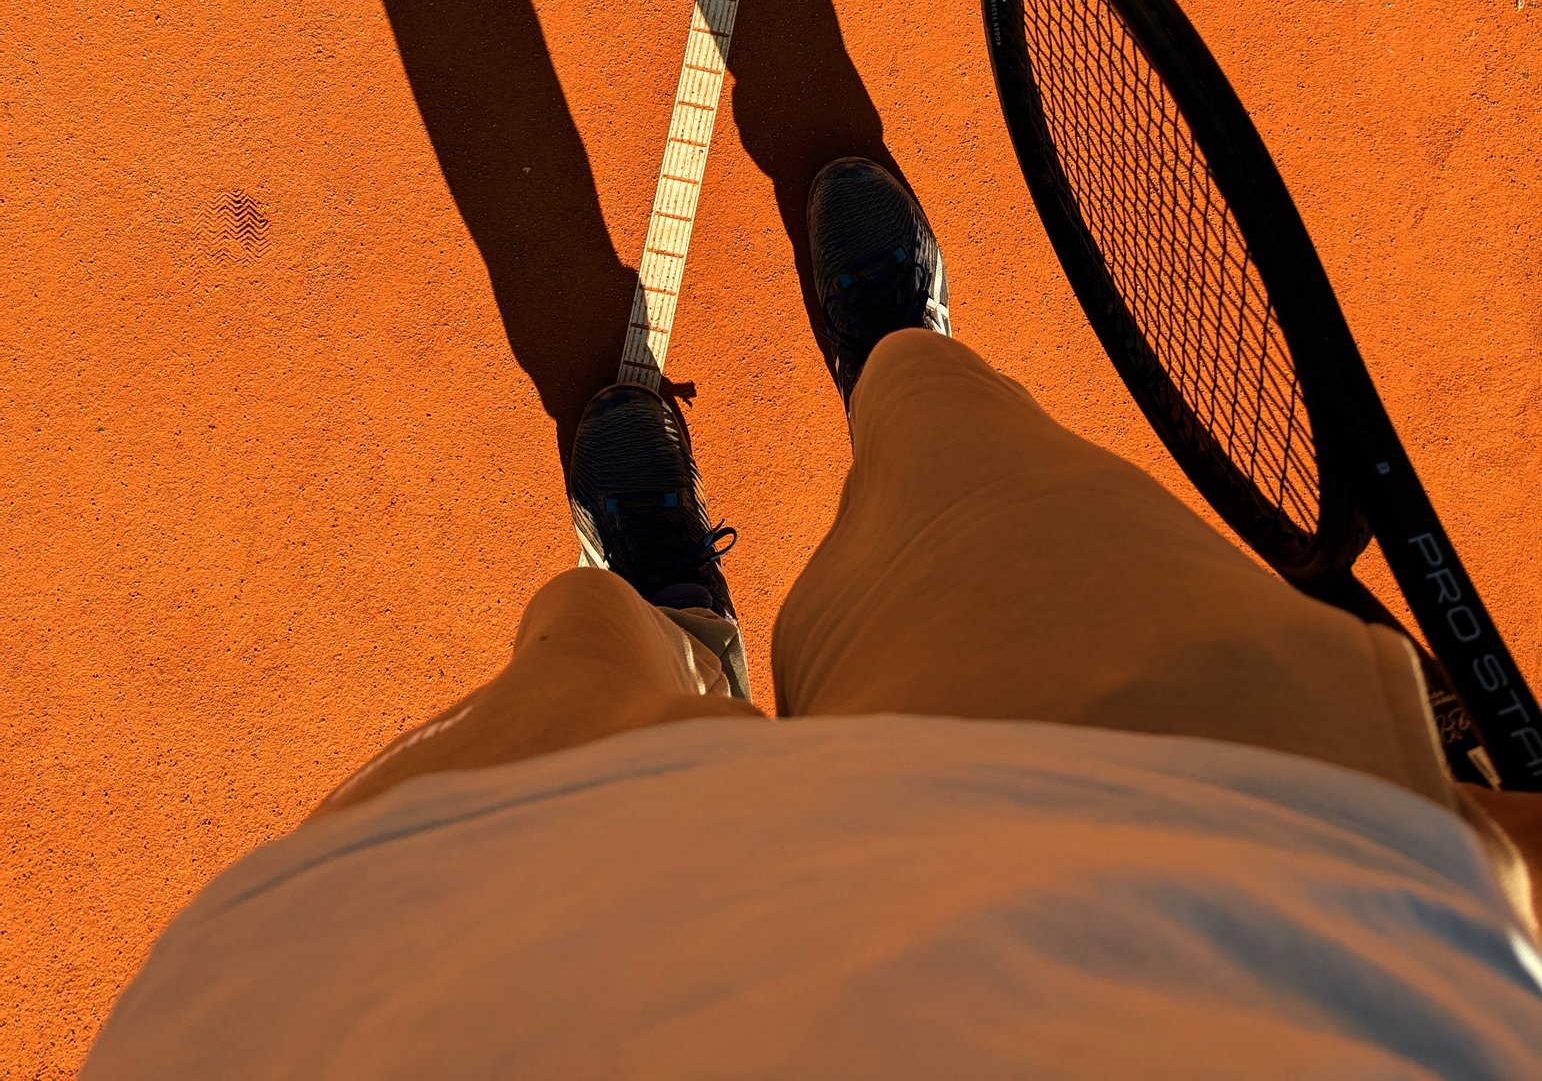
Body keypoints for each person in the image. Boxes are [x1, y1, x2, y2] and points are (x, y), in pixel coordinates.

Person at [84, 161, 1542, 1075]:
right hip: (1228, 838)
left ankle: (683, 633)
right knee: (969, 469)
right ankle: (900, 362)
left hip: (432, 974)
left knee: (590, 651)